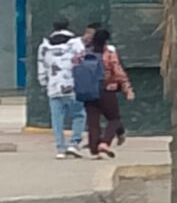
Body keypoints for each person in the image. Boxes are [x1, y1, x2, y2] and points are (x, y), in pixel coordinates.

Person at [37, 19, 86, 159]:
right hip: (73, 85)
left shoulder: (44, 46)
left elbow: (41, 66)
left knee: (57, 119)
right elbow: (82, 62)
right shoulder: (76, 43)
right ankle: (74, 143)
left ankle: (60, 148)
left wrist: (43, 82)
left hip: (53, 87)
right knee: (79, 115)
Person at [83, 29, 134, 159]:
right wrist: (127, 89)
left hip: (88, 90)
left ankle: (94, 148)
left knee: (93, 120)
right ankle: (105, 142)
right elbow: (118, 72)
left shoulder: (84, 53)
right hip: (107, 90)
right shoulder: (109, 54)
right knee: (114, 119)